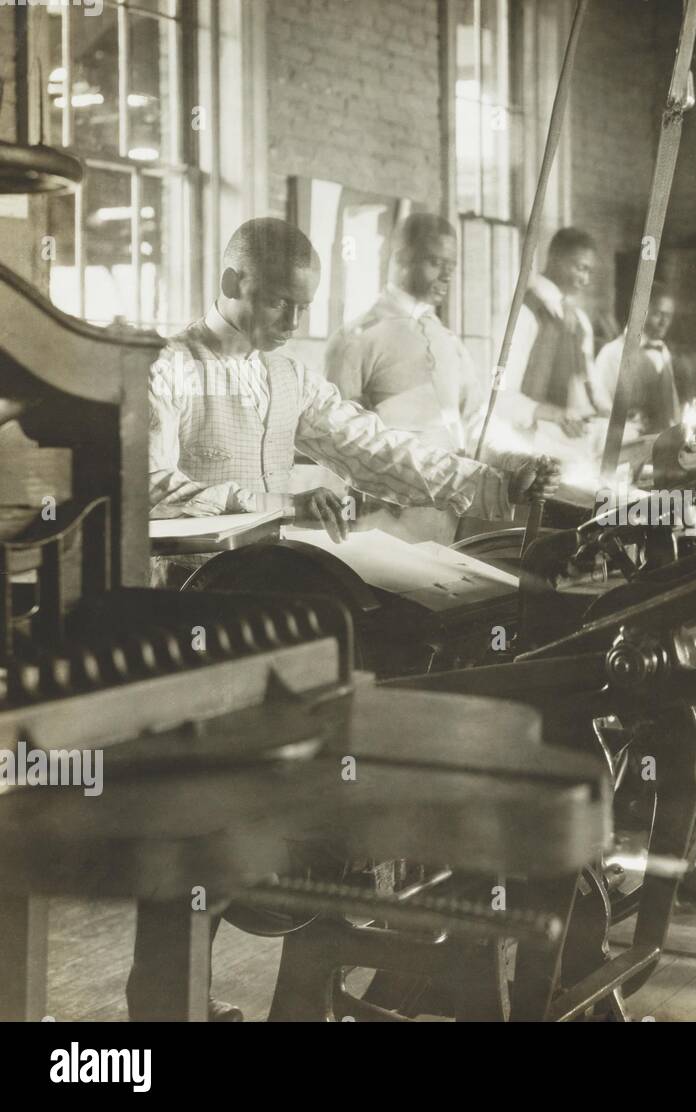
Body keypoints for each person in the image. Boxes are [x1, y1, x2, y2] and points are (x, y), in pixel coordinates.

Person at [133, 217, 557, 1020]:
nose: (293, 322)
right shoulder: (173, 367)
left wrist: (483, 480)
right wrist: (264, 500)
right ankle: (160, 1013)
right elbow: (146, 482)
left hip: (279, 617)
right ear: (231, 284)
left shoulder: (287, 374)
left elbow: (370, 444)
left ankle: (305, 996)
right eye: (278, 303)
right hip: (191, 621)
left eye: (304, 307)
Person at [324, 213, 488, 543]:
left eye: (451, 265)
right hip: (386, 516)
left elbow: (474, 417)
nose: (446, 275)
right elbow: (336, 445)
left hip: (448, 510)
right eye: (434, 262)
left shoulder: (446, 339)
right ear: (401, 259)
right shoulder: (358, 337)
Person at [498, 226, 609, 439]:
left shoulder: (580, 322)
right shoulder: (522, 314)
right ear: (556, 259)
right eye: (580, 268)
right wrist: (552, 414)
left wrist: (610, 413)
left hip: (573, 441)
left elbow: (592, 386)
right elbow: (500, 393)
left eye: (589, 272)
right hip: (527, 441)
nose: (585, 280)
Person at [593, 284, 680, 436]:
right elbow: (599, 401)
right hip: (627, 439)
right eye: (659, 314)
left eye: (669, 316)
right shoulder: (612, 352)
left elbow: (671, 405)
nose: (664, 322)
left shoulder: (663, 352)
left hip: (658, 441)